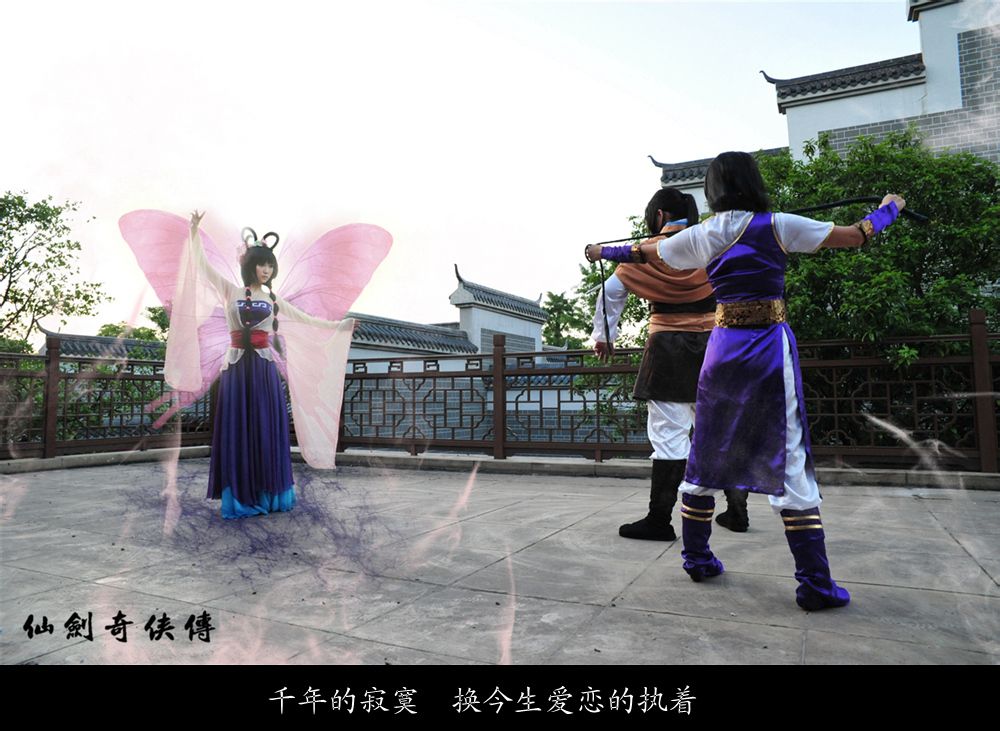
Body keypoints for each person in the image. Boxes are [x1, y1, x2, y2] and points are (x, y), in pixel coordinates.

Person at [588, 151, 905, 610]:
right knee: (788, 450)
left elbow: (641, 251)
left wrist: (601, 251)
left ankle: (697, 559)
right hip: (767, 350)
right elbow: (856, 235)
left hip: (720, 351)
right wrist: (889, 209)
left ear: (713, 190)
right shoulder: (780, 225)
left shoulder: (702, 236)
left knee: (705, 447)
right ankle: (815, 585)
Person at [591, 187, 748, 541]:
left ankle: (659, 520)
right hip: (717, 346)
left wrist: (604, 335)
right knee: (721, 430)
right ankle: (738, 511)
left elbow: (610, 292)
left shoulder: (646, 253)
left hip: (667, 351)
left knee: (669, 436)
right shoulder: (712, 245)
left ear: (659, 216)